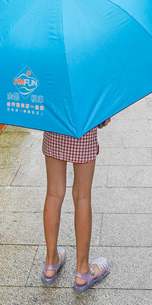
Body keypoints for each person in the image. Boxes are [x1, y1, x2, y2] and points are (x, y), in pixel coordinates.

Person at [40, 119, 111, 291]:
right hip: (84, 127)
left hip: (54, 124)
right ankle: (82, 271)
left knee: (54, 193)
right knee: (82, 197)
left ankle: (51, 263)